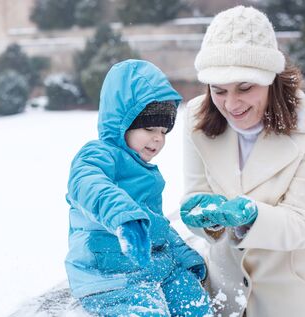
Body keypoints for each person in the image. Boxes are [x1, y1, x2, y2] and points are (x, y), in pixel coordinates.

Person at [179, 5, 305, 317]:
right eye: (219, 90)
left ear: (270, 79)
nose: (231, 104)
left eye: (245, 87)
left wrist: (252, 218)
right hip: (227, 296)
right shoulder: (197, 118)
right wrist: (203, 218)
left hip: (296, 298)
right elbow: (196, 195)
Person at [65, 59, 213, 317]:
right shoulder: (98, 155)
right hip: (107, 274)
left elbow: (159, 227)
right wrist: (125, 218)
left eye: (164, 131)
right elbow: (88, 184)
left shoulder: (148, 174)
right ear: (123, 122)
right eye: (148, 128)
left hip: (151, 268)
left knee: (194, 303)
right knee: (146, 312)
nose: (158, 138)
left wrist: (186, 259)